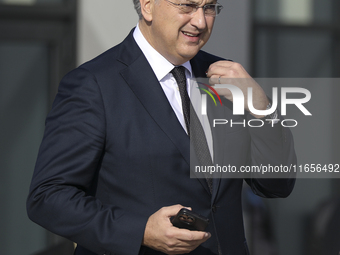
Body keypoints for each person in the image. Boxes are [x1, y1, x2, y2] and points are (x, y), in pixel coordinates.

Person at [27, 0, 297, 254]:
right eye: (188, 6)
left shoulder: (225, 77)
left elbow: (276, 185)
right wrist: (140, 231)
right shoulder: (93, 84)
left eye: (210, 7)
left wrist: (262, 109)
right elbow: (48, 197)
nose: (201, 21)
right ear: (147, 6)